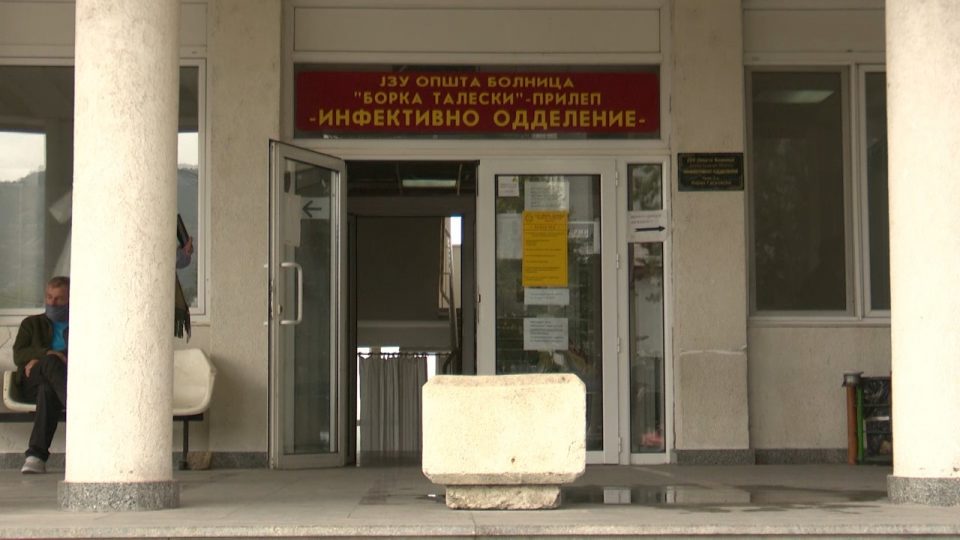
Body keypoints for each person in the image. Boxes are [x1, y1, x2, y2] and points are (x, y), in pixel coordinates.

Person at [12, 276, 70, 474]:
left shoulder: (80, 326)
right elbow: (19, 354)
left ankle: (36, 457)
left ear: (71, 299)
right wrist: (46, 354)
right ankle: (78, 415)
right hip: (32, 381)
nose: (52, 302)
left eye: (59, 298)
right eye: (49, 297)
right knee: (50, 363)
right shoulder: (31, 323)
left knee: (47, 389)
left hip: (61, 382)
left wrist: (45, 358)